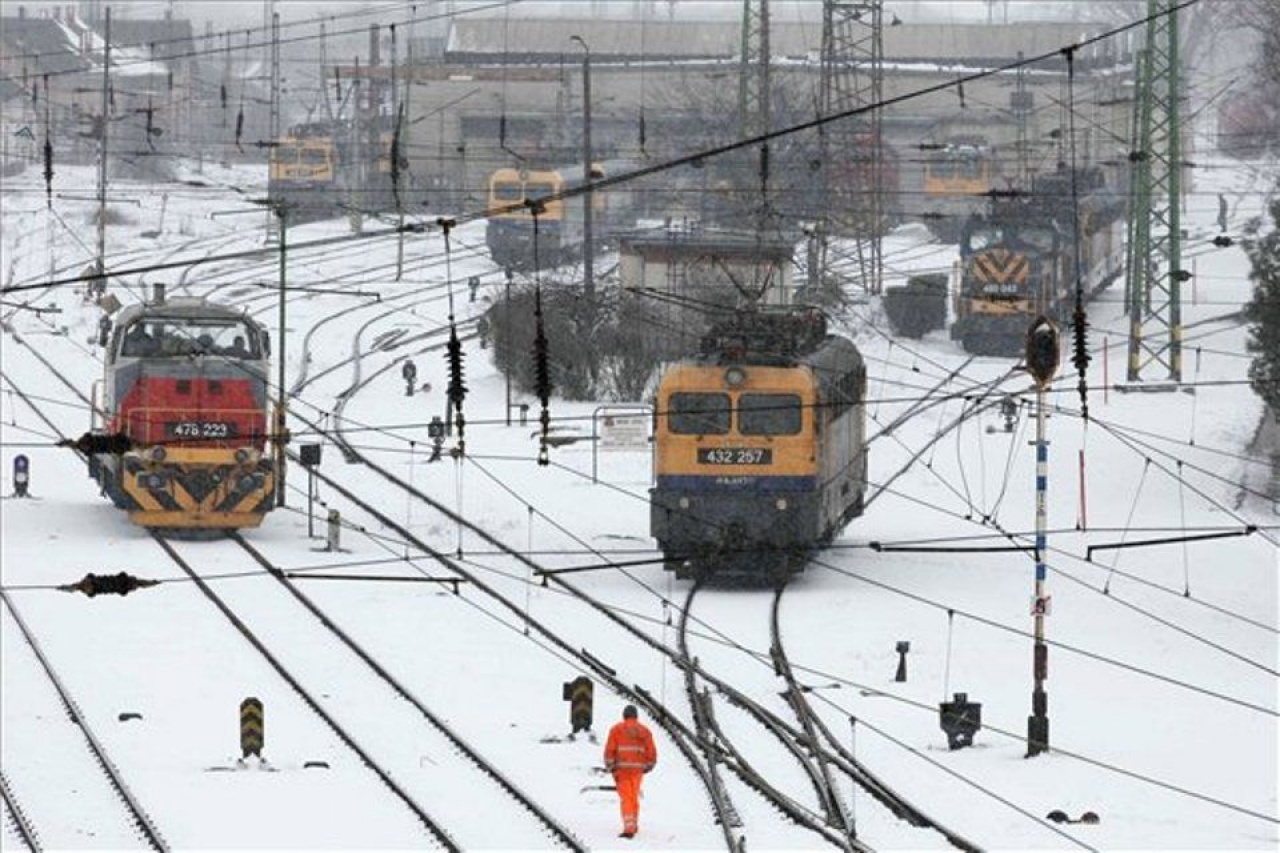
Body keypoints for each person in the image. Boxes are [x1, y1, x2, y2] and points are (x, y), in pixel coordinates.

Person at [603, 704, 657, 839]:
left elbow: (610, 749)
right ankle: (634, 823)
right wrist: (649, 765)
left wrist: (610, 765)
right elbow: (651, 751)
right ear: (636, 716)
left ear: (624, 716)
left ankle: (629, 827)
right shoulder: (644, 731)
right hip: (638, 771)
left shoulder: (616, 729)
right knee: (633, 797)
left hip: (622, 770)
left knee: (626, 798)